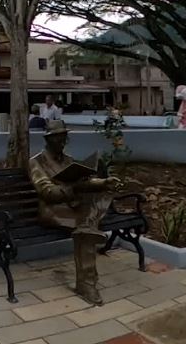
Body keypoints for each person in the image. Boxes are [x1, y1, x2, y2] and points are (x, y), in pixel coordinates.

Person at [29, 120, 119, 305]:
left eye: (64, 138)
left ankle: (90, 225)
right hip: (53, 211)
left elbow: (82, 184)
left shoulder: (68, 160)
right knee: (85, 229)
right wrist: (74, 188)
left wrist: (102, 183)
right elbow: (47, 192)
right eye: (58, 138)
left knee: (98, 200)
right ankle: (87, 284)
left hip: (74, 207)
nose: (63, 142)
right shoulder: (36, 162)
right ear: (49, 139)